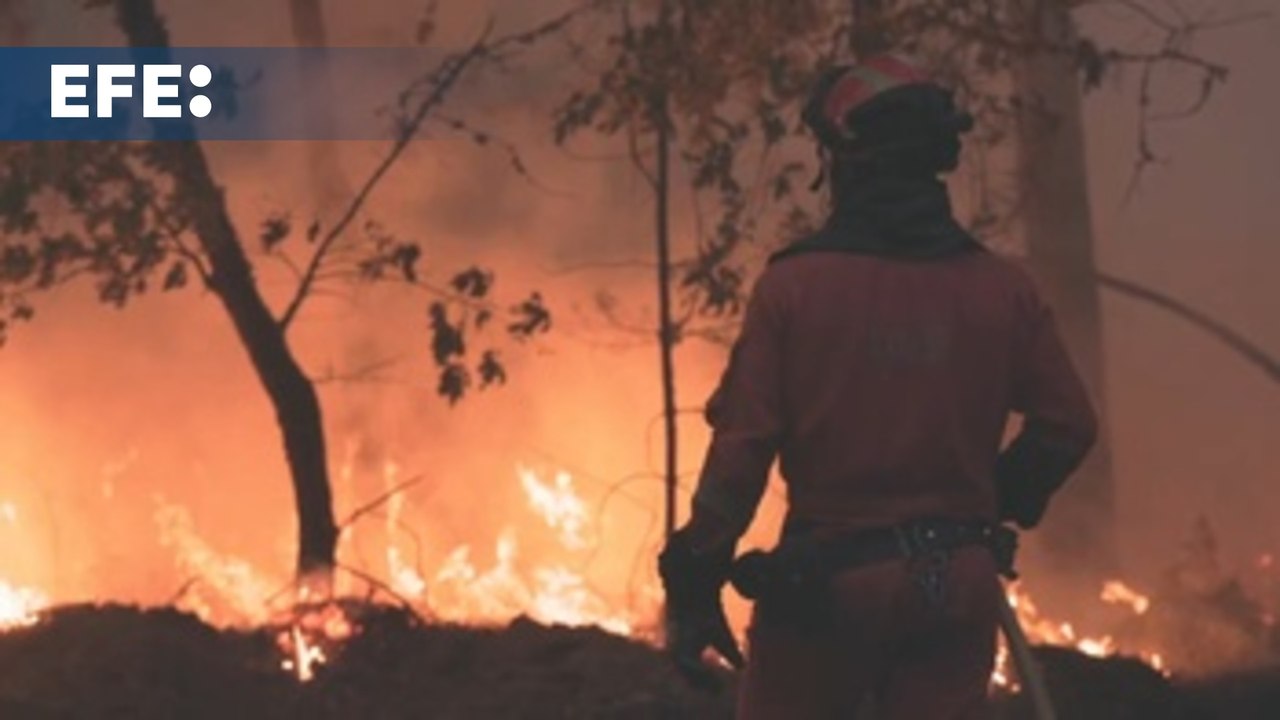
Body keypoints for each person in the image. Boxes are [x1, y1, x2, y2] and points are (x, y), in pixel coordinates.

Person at [659, 53, 1099, 719]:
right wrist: (990, 499)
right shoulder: (1002, 289)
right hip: (957, 585)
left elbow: (739, 458)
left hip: (825, 589)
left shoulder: (795, 290)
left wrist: (696, 577)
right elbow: (1068, 425)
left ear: (842, 160)